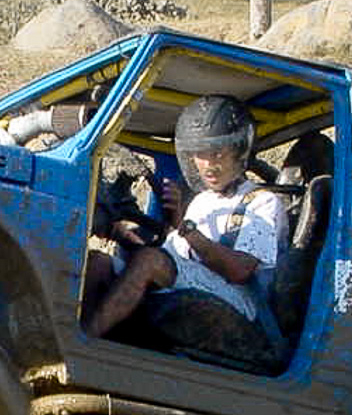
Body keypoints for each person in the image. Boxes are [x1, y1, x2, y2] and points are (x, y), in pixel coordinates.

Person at [84, 95, 286, 340]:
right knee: (98, 262)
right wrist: (123, 236)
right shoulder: (202, 200)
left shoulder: (261, 202)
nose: (209, 164)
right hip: (195, 281)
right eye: (201, 154)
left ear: (240, 151)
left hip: (239, 302)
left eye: (218, 153)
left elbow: (240, 271)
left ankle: (85, 339)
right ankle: (77, 335)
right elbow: (173, 259)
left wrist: (187, 229)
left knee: (149, 260)